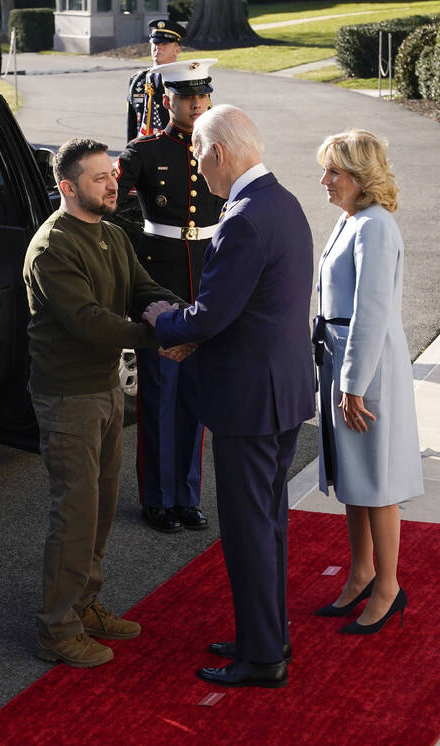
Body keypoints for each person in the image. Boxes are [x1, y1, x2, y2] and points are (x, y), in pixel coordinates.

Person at [144, 105, 315, 688]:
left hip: (250, 401)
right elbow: (258, 306)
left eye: (197, 155)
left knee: (249, 529)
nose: (196, 168)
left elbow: (212, 314)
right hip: (280, 391)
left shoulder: (242, 215)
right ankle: (266, 635)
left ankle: (262, 657)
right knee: (267, 523)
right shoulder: (283, 200)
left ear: (218, 153)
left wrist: (165, 323)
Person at [24, 138, 189, 669]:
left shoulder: (114, 235)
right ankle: (57, 628)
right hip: (68, 395)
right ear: (68, 188)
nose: (113, 184)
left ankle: (85, 603)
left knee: (99, 509)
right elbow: (89, 323)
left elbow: (144, 290)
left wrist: (187, 316)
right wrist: (159, 339)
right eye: (99, 179)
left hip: (104, 390)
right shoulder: (53, 248)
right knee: (75, 513)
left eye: (113, 174)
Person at [313, 129, 423, 634]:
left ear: (360, 177)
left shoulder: (375, 227)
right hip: (343, 357)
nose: (326, 181)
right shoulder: (352, 220)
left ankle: (388, 587)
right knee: (354, 477)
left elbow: (372, 311)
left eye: (334, 172)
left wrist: (353, 383)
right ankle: (360, 573)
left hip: (366, 361)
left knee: (376, 482)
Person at [115, 59, 223, 534]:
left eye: (201, 96)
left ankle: (187, 495)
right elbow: (112, 208)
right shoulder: (144, 151)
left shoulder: (220, 148)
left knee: (195, 398)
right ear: (167, 102)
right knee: (159, 397)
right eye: (185, 98)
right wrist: (133, 271)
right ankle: (157, 499)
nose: (195, 104)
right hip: (159, 286)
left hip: (208, 281)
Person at [125, 19, 183, 142]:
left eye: (164, 44)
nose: (158, 47)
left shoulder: (186, 78)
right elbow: (132, 123)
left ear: (177, 49)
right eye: (155, 43)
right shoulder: (137, 81)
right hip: (144, 151)